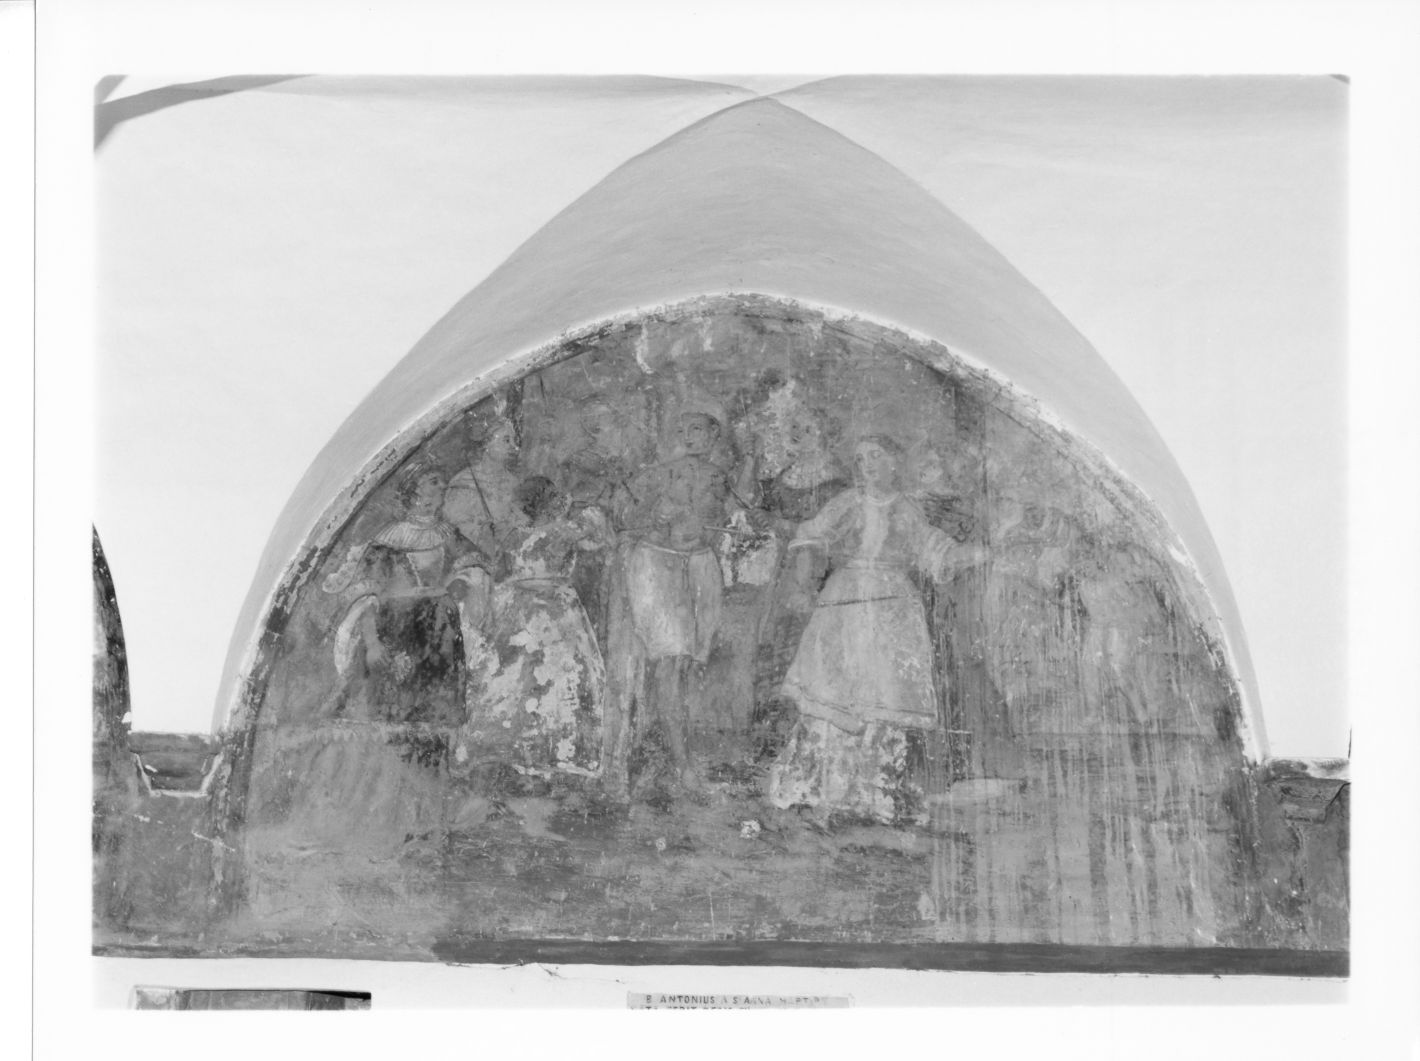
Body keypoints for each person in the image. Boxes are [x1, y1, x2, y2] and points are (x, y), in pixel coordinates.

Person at [767, 435, 982, 826]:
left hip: (893, 607)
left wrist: (975, 554)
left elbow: (933, 551)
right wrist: (803, 581)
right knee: (836, 691)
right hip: (846, 600)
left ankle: (874, 796)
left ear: (894, 462)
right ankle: (822, 792)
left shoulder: (907, 508)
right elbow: (810, 535)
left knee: (885, 694)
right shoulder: (847, 502)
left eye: (875, 456)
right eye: (861, 458)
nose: (866, 465)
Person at [283, 465, 492, 855]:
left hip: (439, 635)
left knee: (432, 730)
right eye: (432, 486)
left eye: (441, 487)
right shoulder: (387, 540)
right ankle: (384, 824)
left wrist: (460, 583)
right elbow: (367, 597)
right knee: (389, 728)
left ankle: (426, 825)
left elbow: (475, 567)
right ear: (412, 493)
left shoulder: (447, 534)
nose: (439, 493)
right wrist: (374, 643)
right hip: (397, 631)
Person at [603, 403, 737, 798]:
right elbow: (624, 515)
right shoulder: (659, 473)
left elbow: (728, 519)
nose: (690, 437)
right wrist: (654, 516)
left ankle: (665, 755)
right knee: (670, 663)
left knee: (687, 667)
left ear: (714, 436)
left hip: (700, 568)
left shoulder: (720, 477)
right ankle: (682, 766)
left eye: (698, 429)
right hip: (658, 568)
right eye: (684, 430)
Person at [461, 475, 613, 777]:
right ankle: (544, 753)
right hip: (551, 609)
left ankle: (529, 752)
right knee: (548, 675)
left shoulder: (518, 535)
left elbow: (501, 572)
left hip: (524, 607)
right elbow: (595, 532)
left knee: (529, 677)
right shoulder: (562, 531)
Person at [441, 414, 525, 563]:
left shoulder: (514, 483)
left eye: (514, 440)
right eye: (506, 440)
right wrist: (484, 532)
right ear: (487, 444)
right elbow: (453, 528)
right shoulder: (463, 482)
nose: (514, 446)